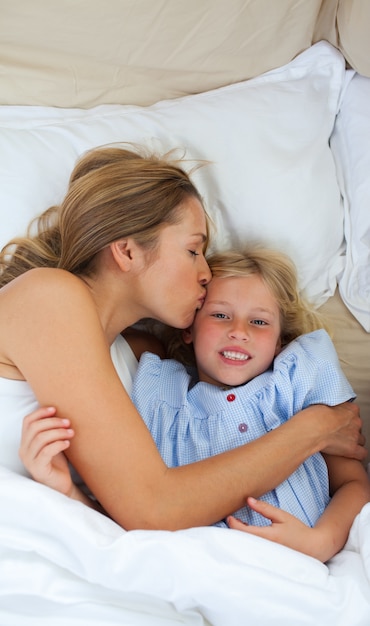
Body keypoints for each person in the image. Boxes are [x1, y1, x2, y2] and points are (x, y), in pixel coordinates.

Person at [2, 145, 365, 534]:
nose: (206, 272)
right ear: (126, 251)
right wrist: (313, 429)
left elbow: (138, 514)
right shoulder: (47, 295)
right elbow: (156, 508)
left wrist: (72, 494)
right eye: (193, 249)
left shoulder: (142, 359)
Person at [21, 247, 370, 561]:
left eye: (259, 322)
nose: (239, 331)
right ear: (189, 328)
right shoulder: (157, 393)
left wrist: (321, 541)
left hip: (304, 569)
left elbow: (354, 484)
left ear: (280, 342)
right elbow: (133, 519)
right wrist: (66, 489)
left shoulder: (298, 379)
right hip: (198, 572)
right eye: (220, 315)